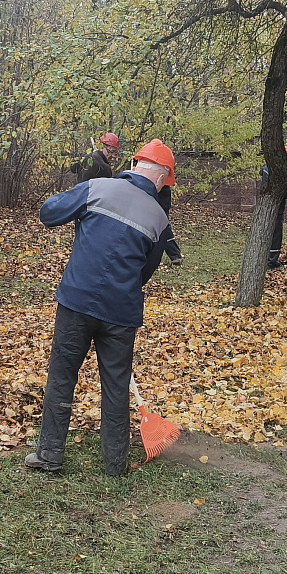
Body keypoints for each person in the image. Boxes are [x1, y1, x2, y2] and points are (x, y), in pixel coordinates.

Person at [26, 138, 177, 476]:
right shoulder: (158, 218)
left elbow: (48, 213)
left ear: (136, 165)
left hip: (76, 302)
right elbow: (145, 273)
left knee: (62, 377)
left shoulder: (96, 188)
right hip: (121, 313)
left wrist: (80, 205)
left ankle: (49, 455)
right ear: (161, 178)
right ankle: (115, 464)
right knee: (116, 385)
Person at [258, 145, 287, 269]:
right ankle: (271, 262)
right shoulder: (280, 172)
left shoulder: (268, 169)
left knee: (267, 235)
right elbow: (285, 194)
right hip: (276, 210)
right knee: (276, 236)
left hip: (264, 209)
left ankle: (265, 260)